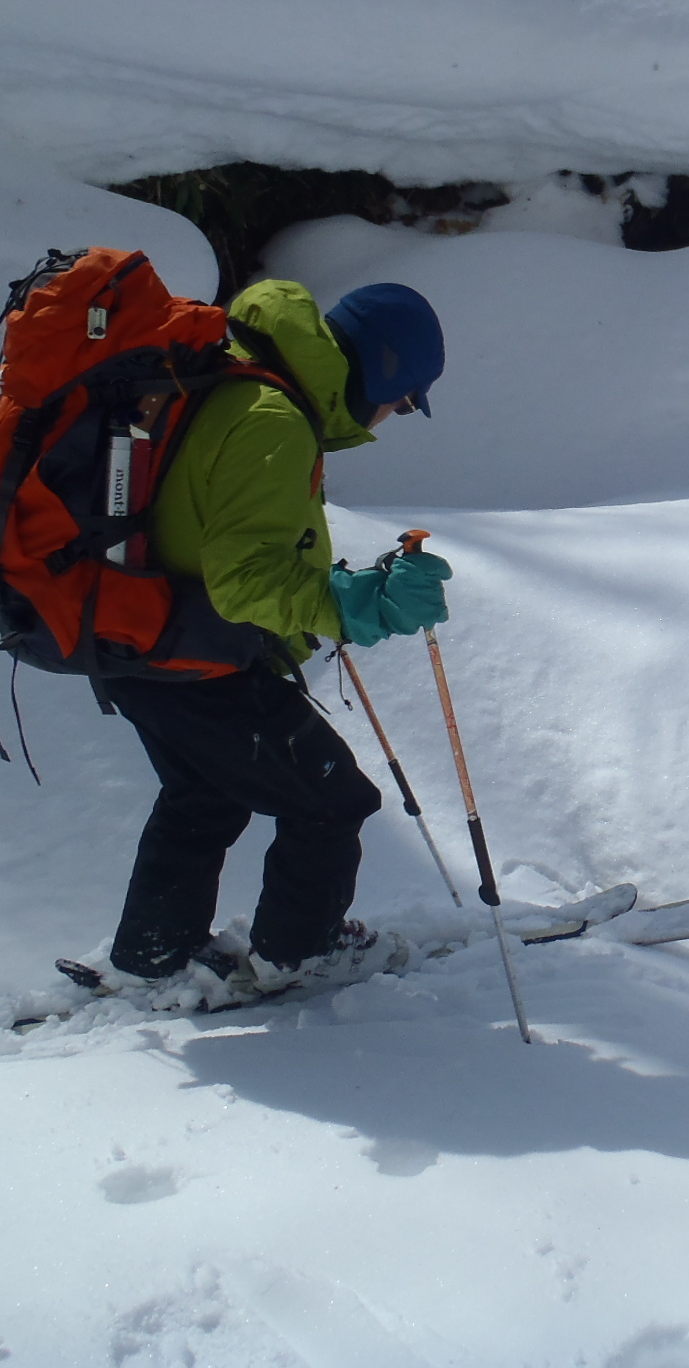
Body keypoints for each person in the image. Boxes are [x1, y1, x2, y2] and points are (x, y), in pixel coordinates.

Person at [97, 278, 450, 995]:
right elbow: (243, 581)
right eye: (404, 399)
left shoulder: (236, 375)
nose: (391, 417)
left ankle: (153, 957)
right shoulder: (271, 418)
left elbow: (221, 543)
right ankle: (303, 949)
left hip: (137, 642)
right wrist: (355, 605)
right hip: (197, 660)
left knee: (202, 796)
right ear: (380, 371)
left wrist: (340, 591)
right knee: (334, 800)